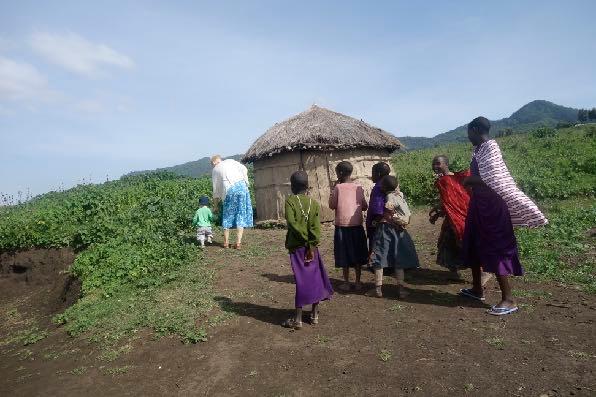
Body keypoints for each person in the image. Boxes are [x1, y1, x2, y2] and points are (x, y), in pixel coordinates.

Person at [460, 116, 548, 316]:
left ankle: (508, 299)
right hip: (479, 205)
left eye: (469, 133)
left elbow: (493, 179)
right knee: (474, 243)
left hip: (492, 206)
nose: (468, 137)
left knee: (495, 247)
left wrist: (470, 179)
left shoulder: (491, 148)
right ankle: (477, 289)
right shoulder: (479, 150)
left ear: (475, 129)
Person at [283, 171, 333, 330]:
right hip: (311, 248)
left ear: (292, 186)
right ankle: (314, 315)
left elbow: (292, 223)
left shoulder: (290, 202)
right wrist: (311, 244)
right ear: (307, 186)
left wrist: (304, 239)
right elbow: (315, 228)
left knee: (301, 280)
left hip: (297, 248)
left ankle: (298, 319)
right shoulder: (314, 203)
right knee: (315, 278)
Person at [368, 175, 420, 298]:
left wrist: (376, 221)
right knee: (399, 259)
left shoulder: (389, 197)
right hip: (400, 231)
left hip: (386, 230)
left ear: (384, 187)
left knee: (379, 258)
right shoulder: (400, 196)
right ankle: (401, 290)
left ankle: (377, 289)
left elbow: (387, 211)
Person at [328, 161, 369, 291]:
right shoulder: (359, 187)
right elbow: (364, 206)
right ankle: (357, 282)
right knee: (357, 254)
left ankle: (346, 282)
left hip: (342, 228)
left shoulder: (338, 188)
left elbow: (332, 205)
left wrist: (332, 191)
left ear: (339, 173)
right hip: (357, 226)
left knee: (344, 254)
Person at [211, 155, 253, 249]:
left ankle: (226, 242)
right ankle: (238, 243)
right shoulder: (232, 162)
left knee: (227, 215)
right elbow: (244, 169)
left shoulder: (216, 169)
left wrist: (216, 206)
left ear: (214, 163)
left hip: (230, 189)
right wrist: (245, 182)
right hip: (242, 187)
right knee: (240, 214)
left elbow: (215, 190)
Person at [366, 162, 391, 253]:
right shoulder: (390, 185)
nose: (371, 175)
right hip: (389, 220)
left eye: (373, 173)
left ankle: (376, 264)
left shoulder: (378, 188)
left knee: (377, 244)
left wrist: (375, 221)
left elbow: (378, 207)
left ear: (378, 174)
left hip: (378, 222)